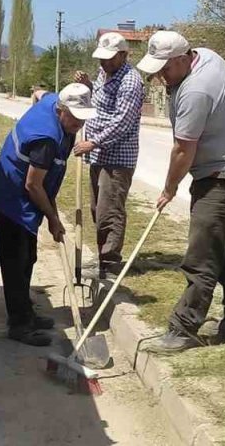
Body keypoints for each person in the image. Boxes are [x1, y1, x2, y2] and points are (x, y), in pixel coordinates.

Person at [136, 31, 225, 352]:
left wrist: (169, 188)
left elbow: (183, 151)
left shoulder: (195, 92)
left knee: (201, 255)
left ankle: (183, 328)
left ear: (181, 58)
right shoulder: (208, 55)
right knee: (218, 246)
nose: (160, 77)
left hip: (223, 179)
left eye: (165, 69)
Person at [0, 83, 97, 346]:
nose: (78, 123)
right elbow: (33, 185)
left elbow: (38, 92)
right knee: (17, 262)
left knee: (29, 257)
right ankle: (19, 325)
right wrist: (53, 218)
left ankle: (25, 311)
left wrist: (52, 215)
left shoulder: (52, 102)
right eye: (74, 117)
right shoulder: (46, 139)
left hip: (24, 193)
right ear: (60, 110)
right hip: (11, 197)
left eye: (83, 117)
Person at [73, 32, 146, 275]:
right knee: (98, 209)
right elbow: (101, 103)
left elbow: (122, 122)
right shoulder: (106, 73)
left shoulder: (131, 82)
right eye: (101, 59)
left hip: (117, 158)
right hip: (99, 156)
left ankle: (110, 264)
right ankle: (103, 258)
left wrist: (92, 142)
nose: (103, 63)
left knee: (110, 210)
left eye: (109, 59)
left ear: (123, 55)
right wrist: (88, 87)